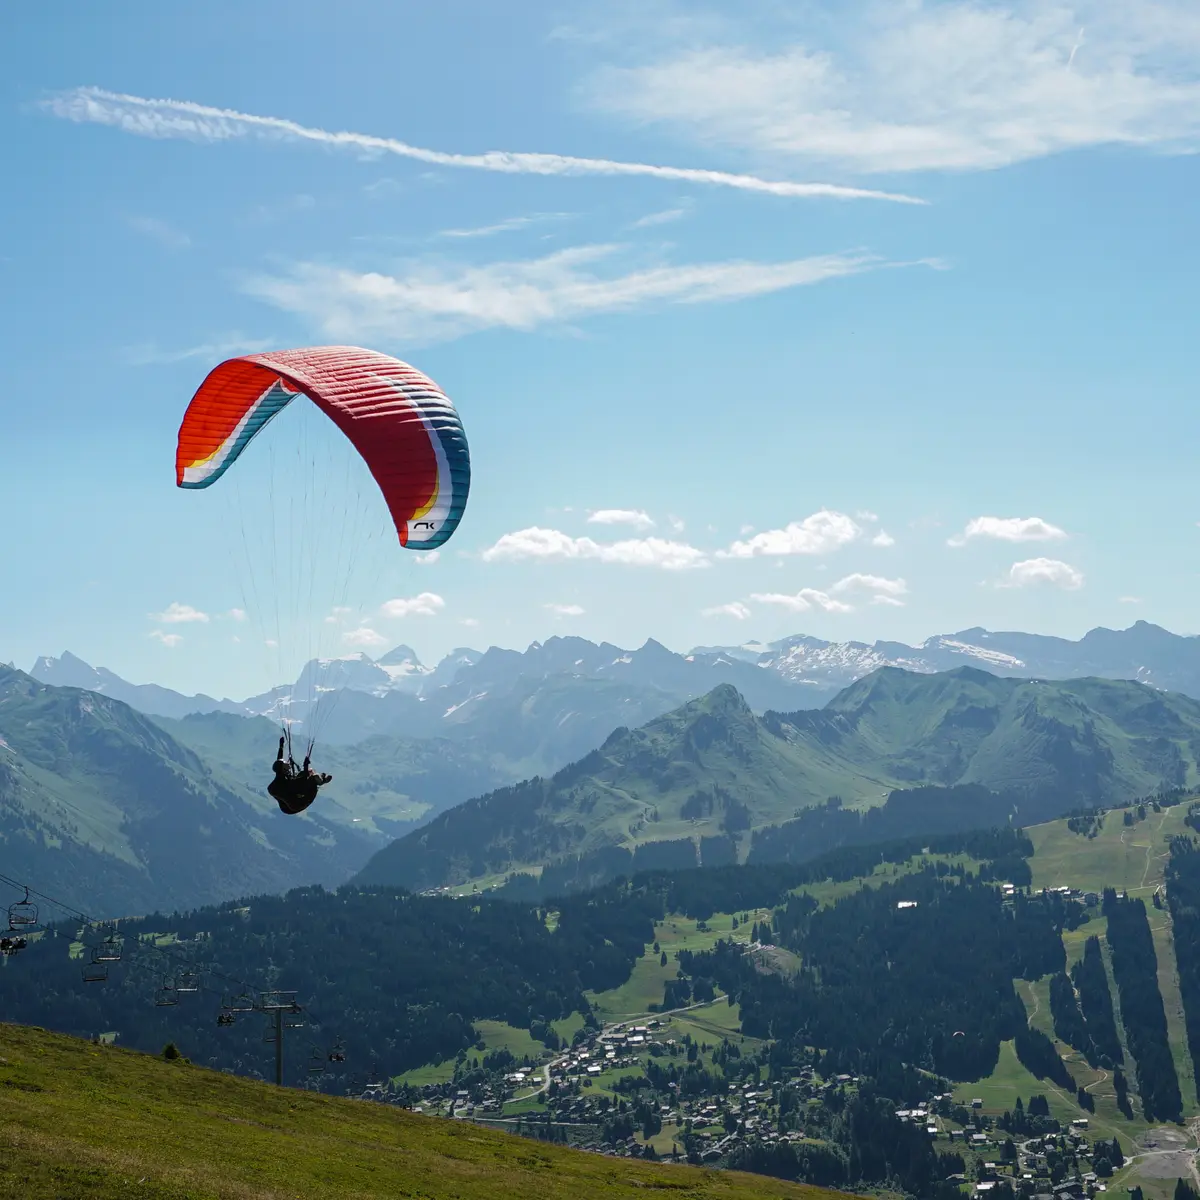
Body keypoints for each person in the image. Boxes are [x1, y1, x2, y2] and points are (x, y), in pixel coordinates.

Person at [267, 734, 332, 815]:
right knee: (312, 778)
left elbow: (278, 761)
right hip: (298, 804)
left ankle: (318, 779)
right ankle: (321, 781)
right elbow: (303, 780)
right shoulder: (284, 783)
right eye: (286, 764)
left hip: (288, 803)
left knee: (306, 773)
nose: (288, 763)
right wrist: (305, 765)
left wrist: (281, 746)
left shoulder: (280, 773)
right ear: (283, 769)